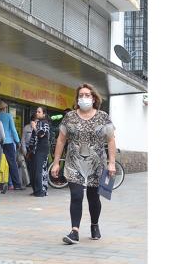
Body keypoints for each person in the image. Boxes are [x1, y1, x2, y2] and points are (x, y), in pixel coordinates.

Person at [51, 83, 116, 245]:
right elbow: (61, 139)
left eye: (87, 95)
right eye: (81, 95)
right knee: (77, 195)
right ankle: (75, 231)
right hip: (74, 162)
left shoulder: (103, 116)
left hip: (96, 163)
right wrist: (56, 162)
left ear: (93, 98)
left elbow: (111, 139)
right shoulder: (70, 117)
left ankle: (94, 224)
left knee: (93, 198)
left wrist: (112, 163)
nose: (84, 98)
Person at [0, 100, 23, 190]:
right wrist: (17, 141)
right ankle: (17, 185)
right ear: (4, 108)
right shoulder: (8, 116)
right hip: (8, 142)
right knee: (12, 164)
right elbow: (13, 130)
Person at [28, 107, 50, 197]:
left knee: (38, 171)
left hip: (42, 149)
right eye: (36, 111)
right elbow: (33, 139)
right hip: (35, 150)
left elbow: (41, 134)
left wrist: (34, 127)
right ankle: (36, 190)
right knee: (33, 171)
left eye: (39, 112)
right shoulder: (38, 123)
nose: (37, 113)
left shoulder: (45, 123)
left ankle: (40, 191)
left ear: (44, 114)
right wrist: (29, 150)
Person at [21, 113, 37, 187]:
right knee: (28, 166)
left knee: (35, 166)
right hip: (28, 149)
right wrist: (24, 151)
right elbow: (23, 140)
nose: (34, 121)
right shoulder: (26, 128)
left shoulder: (39, 128)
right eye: (34, 120)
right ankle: (28, 181)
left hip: (36, 149)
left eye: (36, 120)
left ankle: (34, 181)